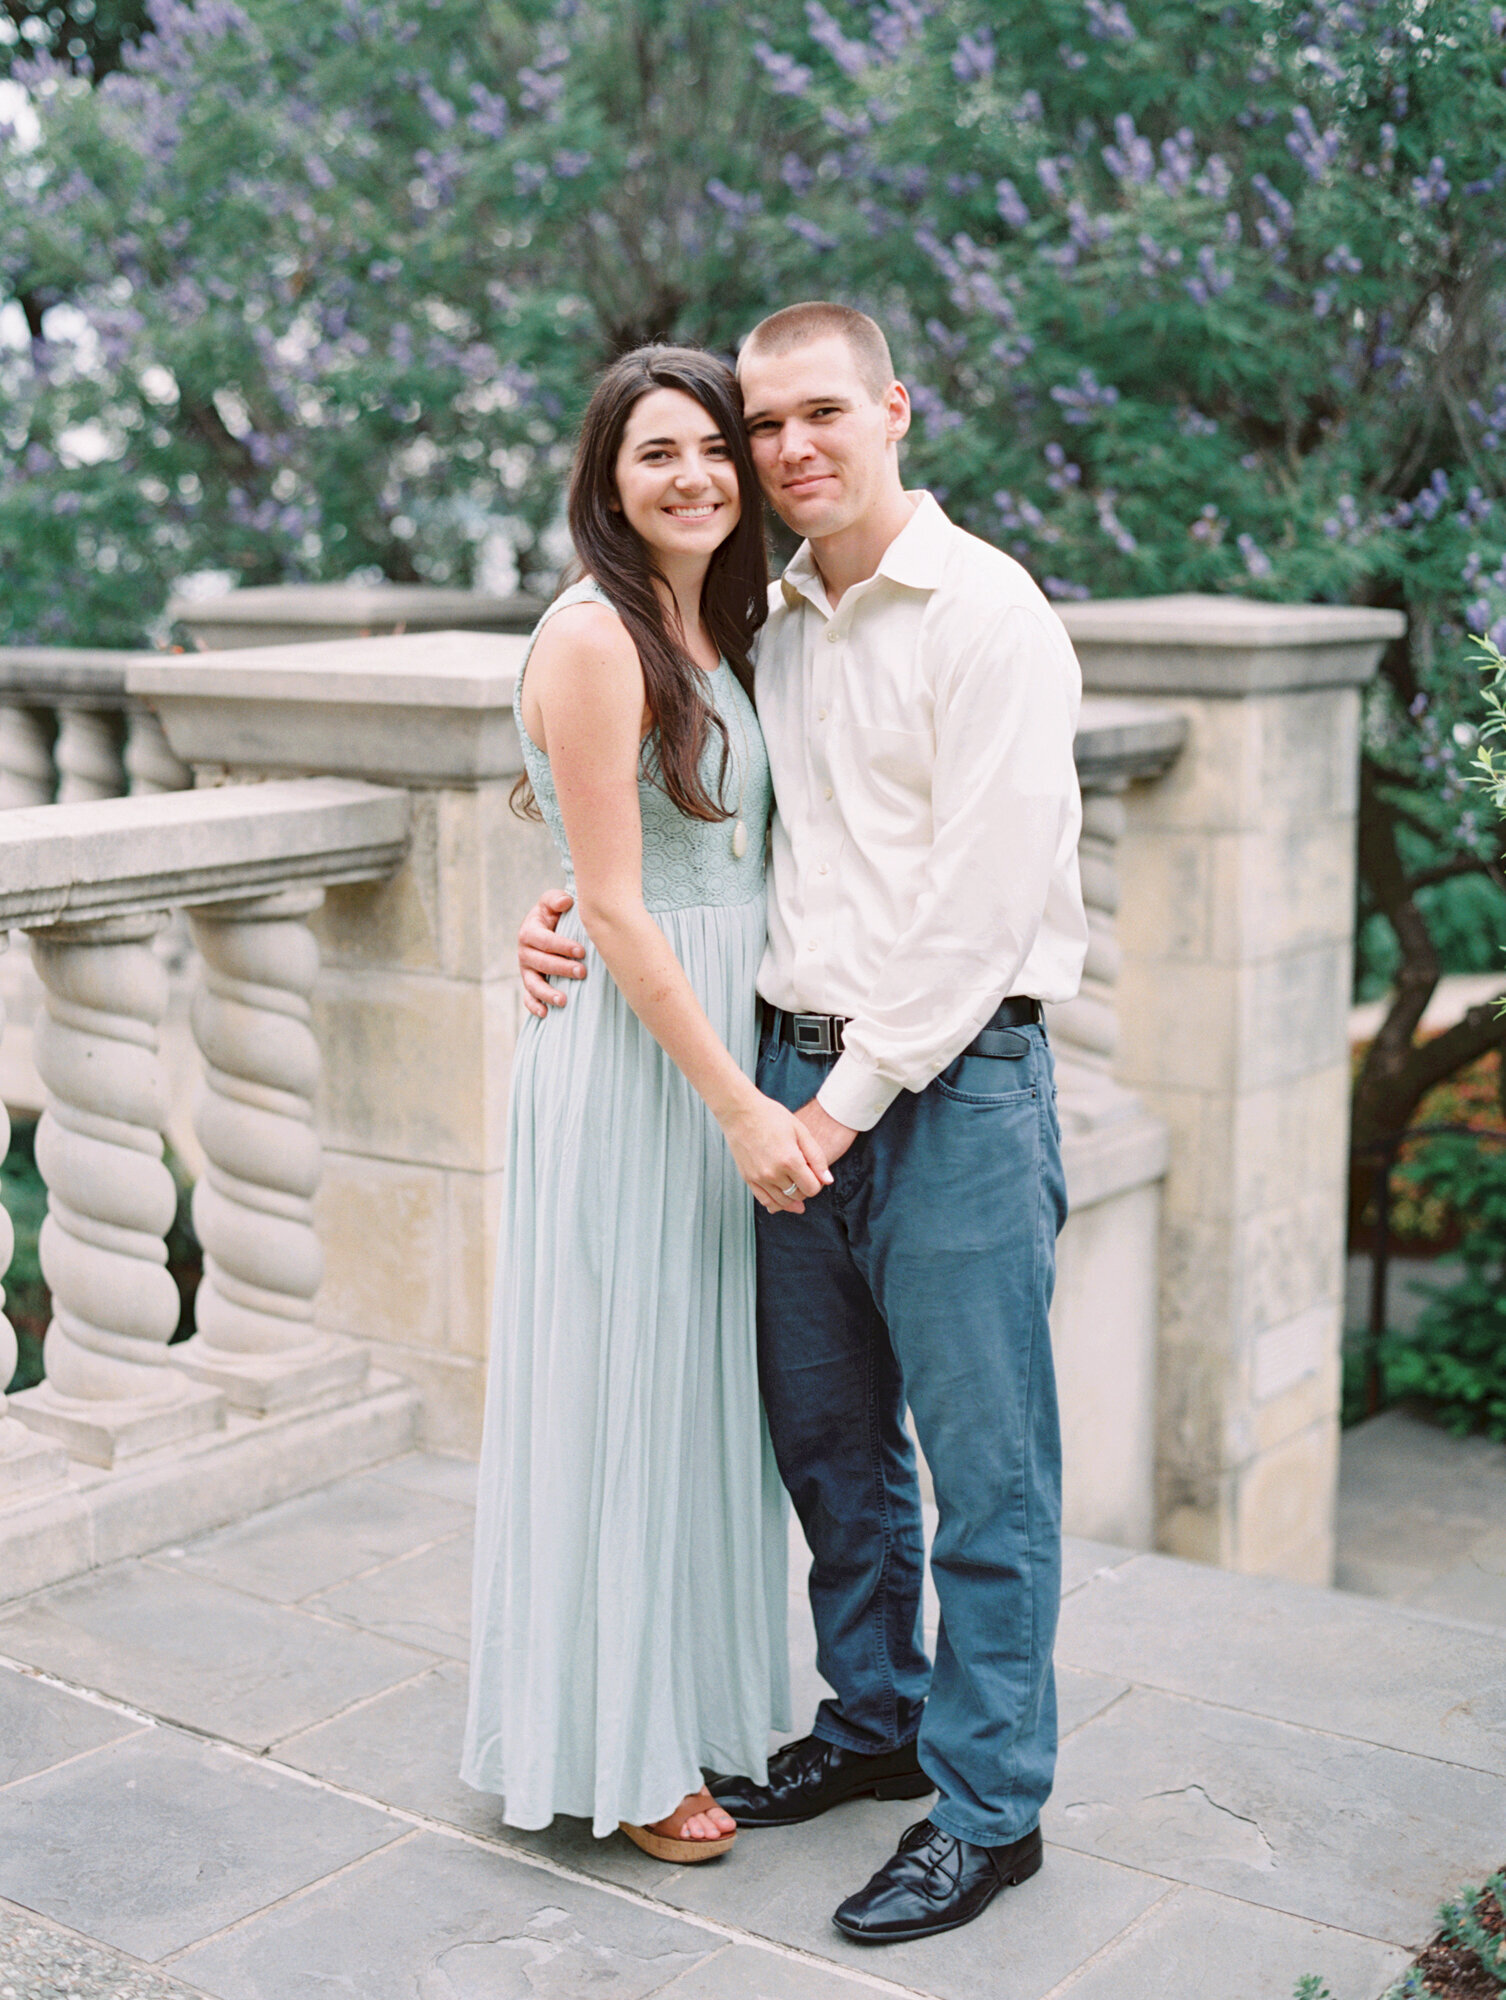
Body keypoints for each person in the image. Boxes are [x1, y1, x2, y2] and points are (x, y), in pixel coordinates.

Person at [517, 301, 1087, 1943]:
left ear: (893, 407)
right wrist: (561, 906)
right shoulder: (761, 622)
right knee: (832, 1458)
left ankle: (987, 1811)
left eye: (815, 414)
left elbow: (977, 918)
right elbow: (683, 820)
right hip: (779, 1076)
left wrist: (819, 1115)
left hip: (945, 1090)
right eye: (761, 425)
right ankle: (871, 1724)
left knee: (987, 1477)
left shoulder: (987, 617)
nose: (785, 451)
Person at [461, 344, 833, 1864]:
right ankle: (615, 1756)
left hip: (701, 1025)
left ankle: (679, 1705)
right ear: (605, 483)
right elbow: (613, 911)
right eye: (653, 454)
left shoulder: (711, 622)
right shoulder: (598, 634)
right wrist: (744, 1107)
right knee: (619, 1396)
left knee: (690, 1404)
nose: (693, 476)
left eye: (712, 451)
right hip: (645, 1064)